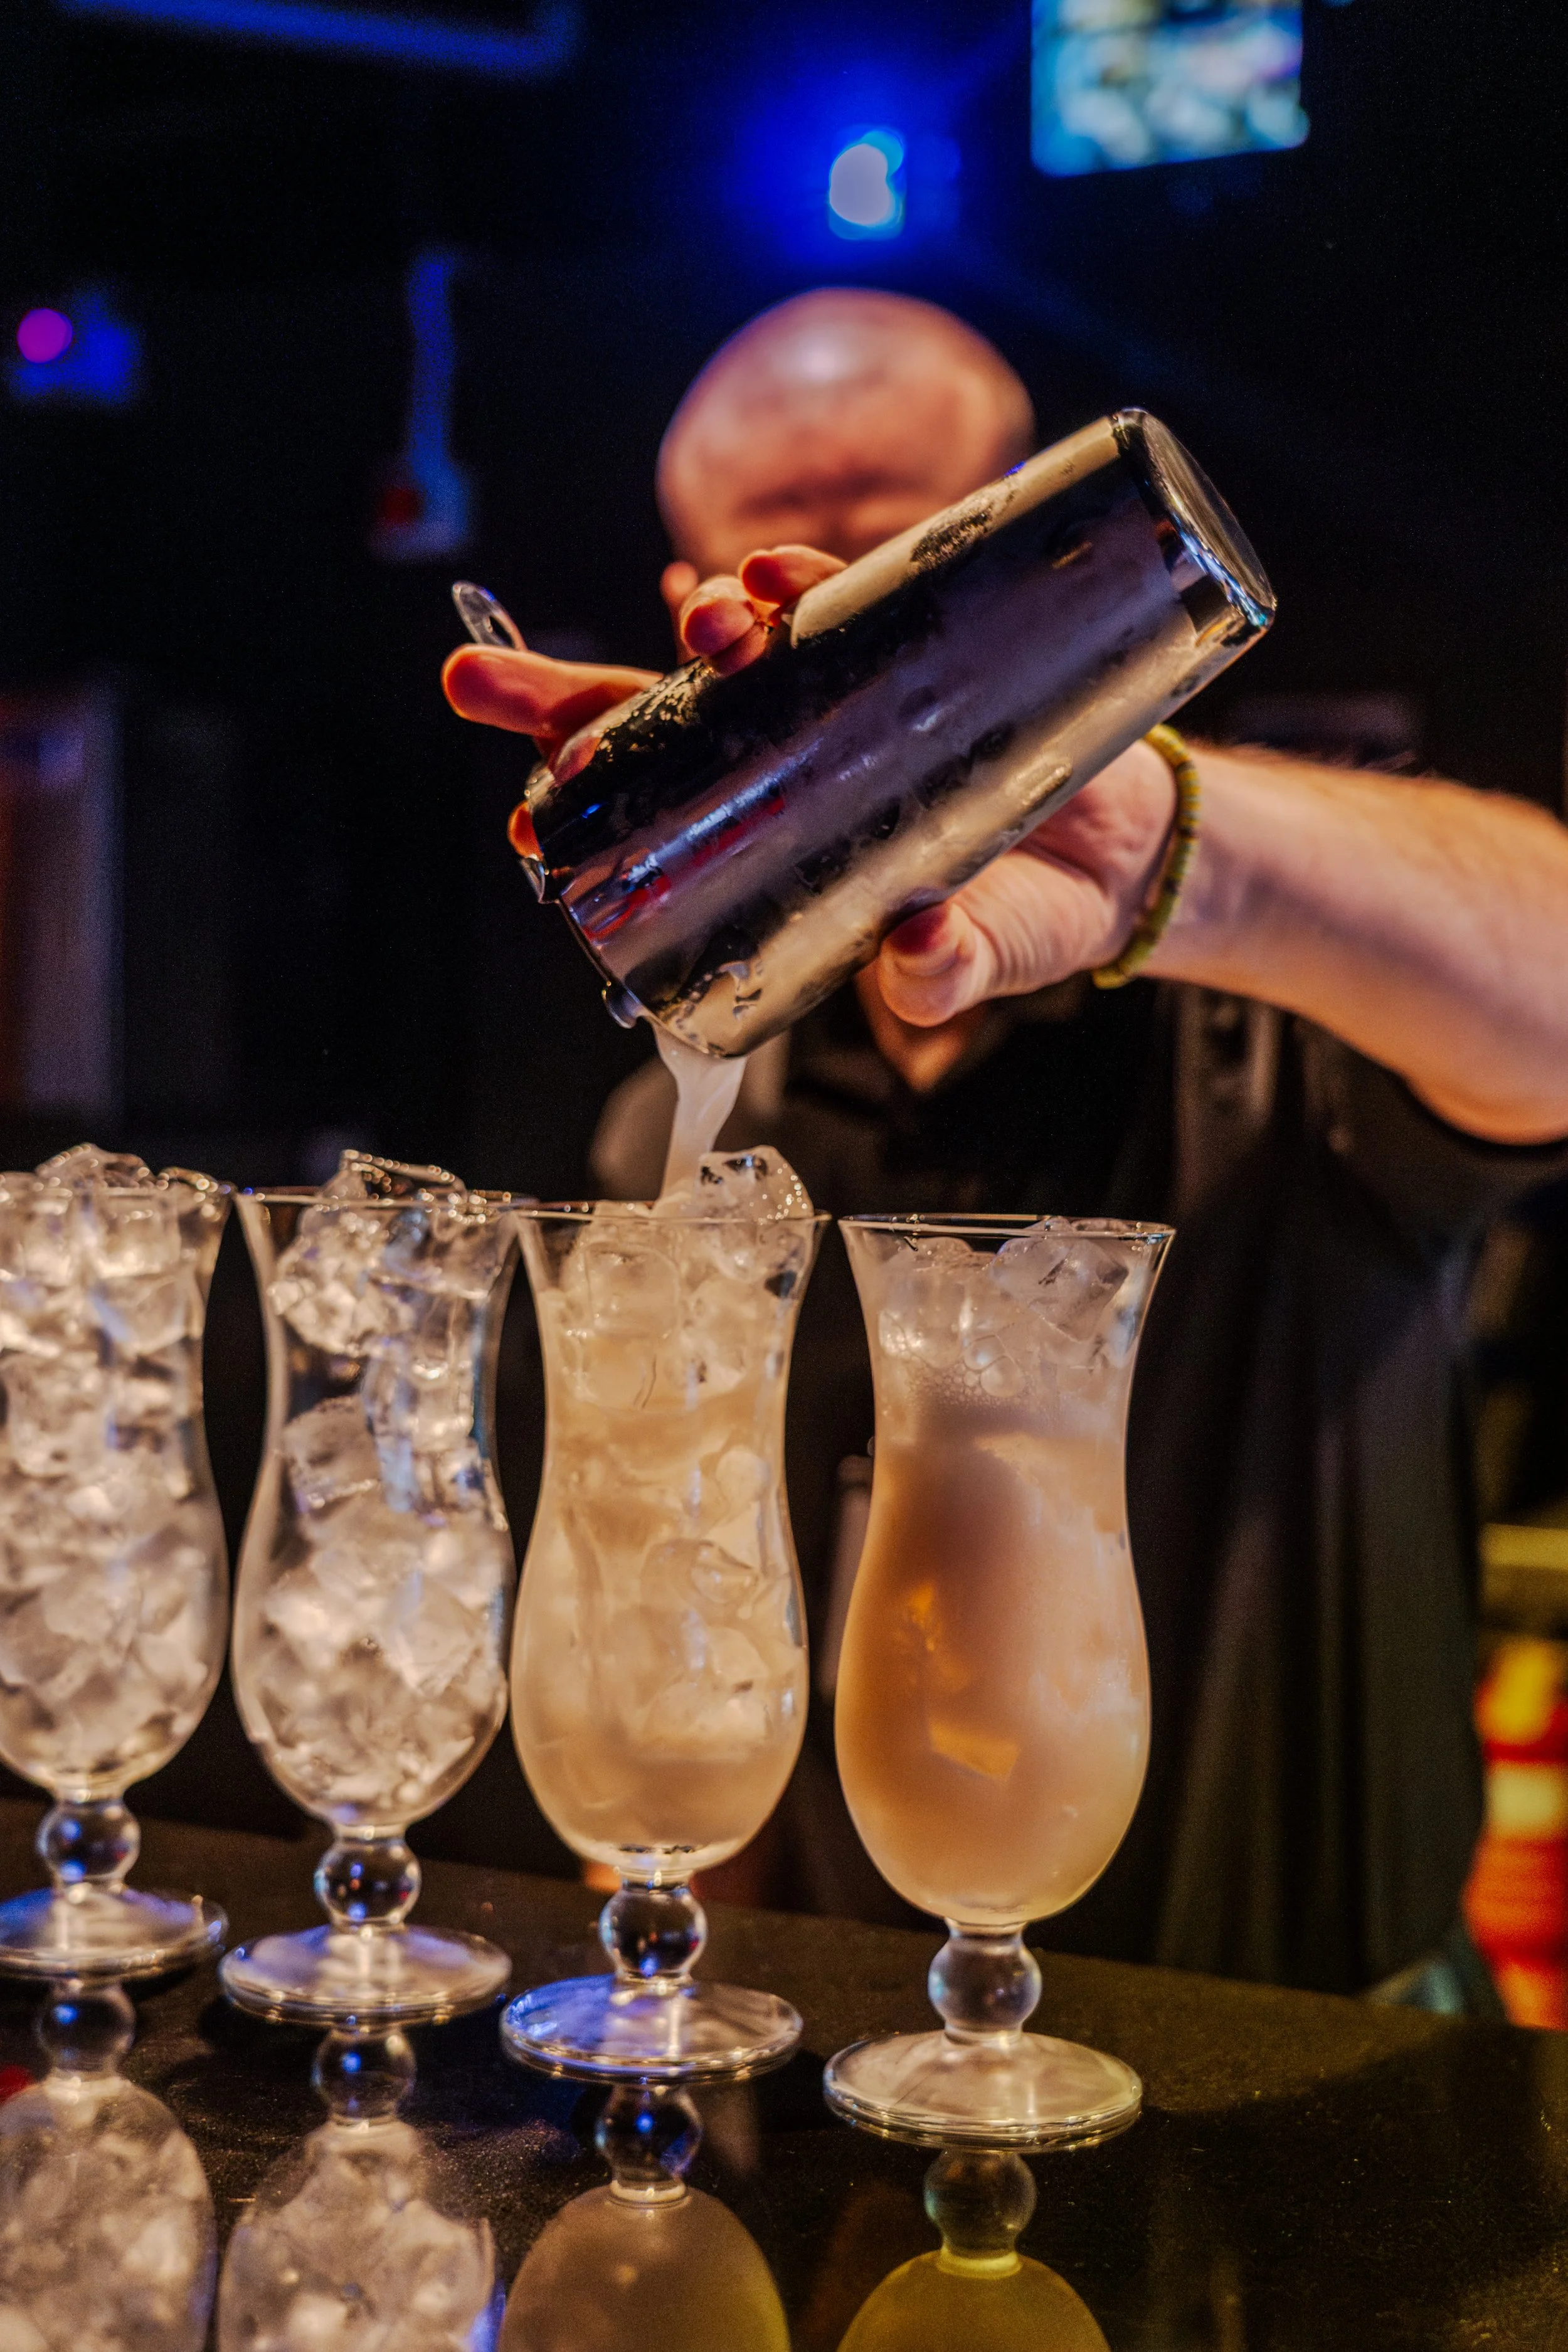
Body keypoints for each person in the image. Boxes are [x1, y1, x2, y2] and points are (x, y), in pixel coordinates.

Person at [444, 289, 1568, 2002]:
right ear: (699, 618)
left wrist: (1158, 850)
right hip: (846, 2098)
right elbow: (680, 1604)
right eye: (788, 592)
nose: (850, 645)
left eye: (900, 584)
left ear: (1012, 548)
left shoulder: (1271, 996)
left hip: (1320, 2085)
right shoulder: (689, 1114)